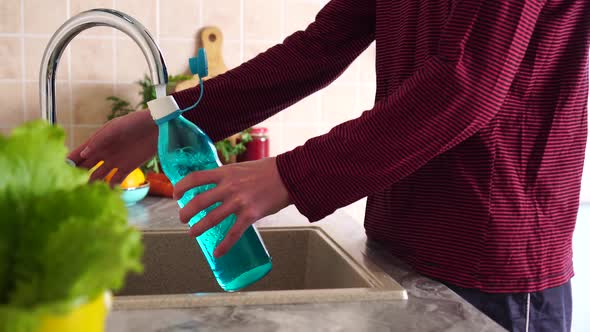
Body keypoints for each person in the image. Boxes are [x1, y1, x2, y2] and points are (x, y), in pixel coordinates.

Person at [68, 0, 590, 330]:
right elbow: (323, 45)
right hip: (400, 240)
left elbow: (464, 85)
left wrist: (286, 176)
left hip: (491, 252)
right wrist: (163, 119)